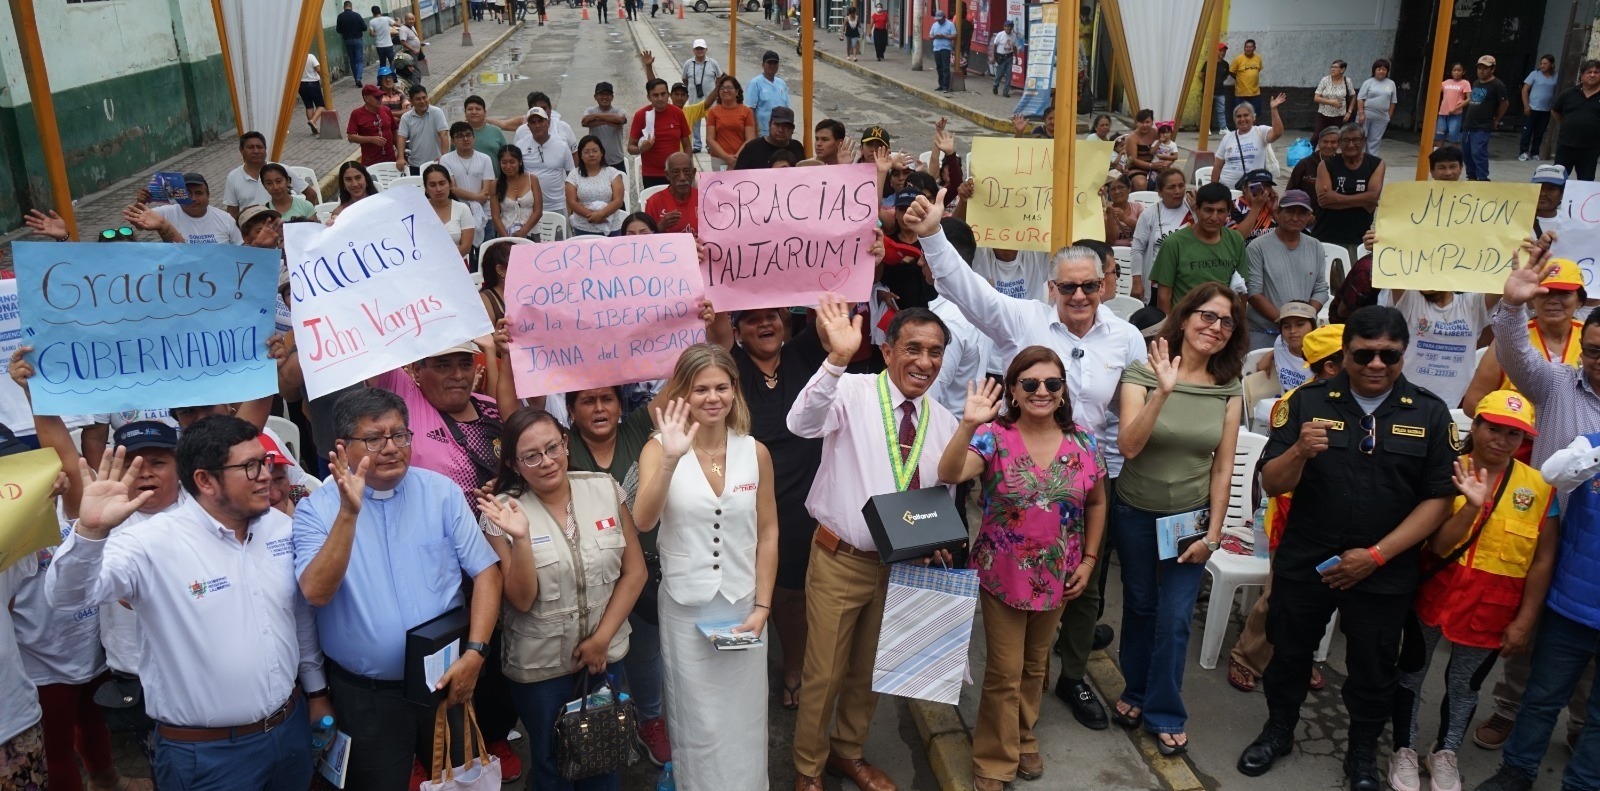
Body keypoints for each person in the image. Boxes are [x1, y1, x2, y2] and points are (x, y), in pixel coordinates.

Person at [912, 189, 1146, 730]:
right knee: (1014, 611)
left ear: (1105, 284)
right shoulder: (1025, 320)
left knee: (1084, 593)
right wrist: (933, 236)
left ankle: (1072, 677)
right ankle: (1013, 713)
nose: (1081, 295)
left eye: (1090, 285)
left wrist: (1111, 474)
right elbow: (968, 292)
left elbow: (1127, 412)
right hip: (1017, 481)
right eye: (1069, 286)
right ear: (1053, 288)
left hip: (1089, 480)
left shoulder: (1127, 338)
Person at [1237, 307, 1459, 791]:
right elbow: (1271, 483)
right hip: (1309, 556)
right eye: (1364, 354)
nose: (1376, 364)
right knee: (1290, 652)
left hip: (1383, 567)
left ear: (1403, 355)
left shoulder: (1428, 412)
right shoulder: (1308, 402)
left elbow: (1439, 499)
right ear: (1346, 353)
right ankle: (1279, 730)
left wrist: (1376, 556)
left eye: (1389, 355)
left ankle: (1361, 753)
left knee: (1374, 667)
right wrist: (1298, 452)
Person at [48, 417, 331, 790]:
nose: (265, 475)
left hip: (289, 731)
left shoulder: (280, 529)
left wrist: (316, 692)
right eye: (250, 467)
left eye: (264, 462)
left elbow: (298, 618)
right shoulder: (149, 544)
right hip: (207, 758)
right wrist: (90, 534)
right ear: (205, 480)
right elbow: (68, 597)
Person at [786, 296, 958, 791]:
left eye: (935, 351)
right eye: (913, 349)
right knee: (823, 675)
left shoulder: (942, 421)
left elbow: (938, 497)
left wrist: (937, 540)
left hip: (899, 566)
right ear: (887, 352)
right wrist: (837, 358)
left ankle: (848, 752)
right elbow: (801, 423)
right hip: (841, 559)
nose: (924, 362)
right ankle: (808, 767)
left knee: (869, 672)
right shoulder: (853, 391)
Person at [293, 388, 503, 791]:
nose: (391, 448)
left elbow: (487, 573)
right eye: (374, 438)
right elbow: (316, 593)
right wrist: (348, 515)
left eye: (400, 435)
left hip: (447, 681)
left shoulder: (441, 493)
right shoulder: (315, 510)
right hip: (367, 697)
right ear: (343, 448)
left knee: (460, 783)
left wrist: (476, 653)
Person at [939, 347, 1107, 790]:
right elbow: (950, 472)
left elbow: (1097, 502)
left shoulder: (1084, 442)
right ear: (1013, 389)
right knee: (1005, 670)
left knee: (1035, 666)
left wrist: (1089, 560)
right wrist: (969, 423)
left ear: (1062, 389)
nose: (1041, 392)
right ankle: (994, 758)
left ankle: (1023, 736)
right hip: (1003, 574)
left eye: (1052, 383)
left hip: (1060, 574)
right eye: (1030, 383)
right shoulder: (994, 436)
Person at [1469, 248, 1600, 791]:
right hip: (1546, 539)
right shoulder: (1560, 384)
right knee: (1530, 653)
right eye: (1593, 351)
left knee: (1584, 684)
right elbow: (1516, 353)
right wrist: (1509, 306)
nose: (1599, 361)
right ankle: (1509, 727)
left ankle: (1580, 743)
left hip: (1590, 556)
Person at [1386, 390, 1558, 791]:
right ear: (1475, 426)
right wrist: (1469, 507)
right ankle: (1403, 748)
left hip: (1492, 609)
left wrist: (1526, 619)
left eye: (1513, 435)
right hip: (1433, 597)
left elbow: (1543, 560)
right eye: (1493, 428)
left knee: (1465, 687)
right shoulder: (1445, 471)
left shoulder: (1539, 488)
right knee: (1411, 673)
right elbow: (1440, 546)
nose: (1501, 440)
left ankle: (1446, 752)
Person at [631, 346, 779, 790]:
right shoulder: (659, 449)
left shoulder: (756, 452)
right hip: (685, 609)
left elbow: (768, 533)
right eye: (701, 389)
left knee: (745, 719)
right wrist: (672, 460)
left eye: (721, 387)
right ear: (684, 392)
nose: (712, 397)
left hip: (744, 607)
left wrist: (762, 607)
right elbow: (643, 520)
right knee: (697, 724)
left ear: (735, 390)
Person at [475, 408, 646, 791]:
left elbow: (635, 573)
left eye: (553, 447)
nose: (546, 461)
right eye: (531, 456)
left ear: (566, 444)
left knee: (605, 757)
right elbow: (520, 600)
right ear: (515, 464)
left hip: (605, 657)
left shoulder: (605, 488)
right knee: (552, 765)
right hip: (541, 669)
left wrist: (601, 640)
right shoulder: (500, 512)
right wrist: (520, 540)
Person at [1111, 283, 1246, 756]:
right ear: (1185, 319)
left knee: (1174, 618)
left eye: (1227, 322)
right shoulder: (1140, 373)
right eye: (1208, 316)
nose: (1216, 327)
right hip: (1134, 511)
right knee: (1141, 605)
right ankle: (1135, 690)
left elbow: (1224, 467)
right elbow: (1128, 447)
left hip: (1189, 519)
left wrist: (1213, 536)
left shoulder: (1230, 389)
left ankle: (1165, 710)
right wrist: (1162, 394)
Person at [1233, 326, 1345, 689]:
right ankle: (1248, 656)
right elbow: (1277, 472)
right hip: (1294, 514)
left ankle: (1296, 655)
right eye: (1354, 358)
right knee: (1279, 593)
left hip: (1339, 515)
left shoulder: (1359, 403)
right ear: (1329, 368)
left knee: (1320, 595)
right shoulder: (1298, 402)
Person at [1464, 257, 1584, 412]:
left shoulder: (1593, 338)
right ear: (1532, 298)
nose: (1553, 300)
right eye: (1545, 293)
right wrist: (1519, 427)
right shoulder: (1510, 340)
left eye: (1564, 294)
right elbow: (1473, 403)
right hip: (1520, 435)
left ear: (1580, 301)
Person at [1245, 190, 1328, 349]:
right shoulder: (1257, 247)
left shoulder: (1315, 246)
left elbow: (1320, 289)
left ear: (1309, 217)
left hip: (1303, 333)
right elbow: (1254, 293)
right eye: (1290, 211)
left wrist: (1304, 320)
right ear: (1278, 212)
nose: (1295, 218)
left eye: (1302, 213)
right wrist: (1286, 323)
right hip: (1264, 330)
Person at [1152, 182, 1246, 313]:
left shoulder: (1236, 240)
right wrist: (1168, 330)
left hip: (1221, 321)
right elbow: (1164, 295)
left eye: (1221, 211)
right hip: (1183, 323)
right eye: (1208, 210)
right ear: (1196, 209)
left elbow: (1242, 290)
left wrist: (1238, 325)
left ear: (1228, 212)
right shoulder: (1174, 243)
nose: (1214, 217)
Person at [1315, 123, 1385, 260]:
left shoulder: (1376, 164)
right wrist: (1363, 200)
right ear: (1340, 143)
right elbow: (1324, 201)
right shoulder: (1327, 164)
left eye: (1356, 140)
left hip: (1358, 238)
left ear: (1364, 141)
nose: (1351, 144)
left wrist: (1337, 198)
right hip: (1325, 234)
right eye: (1346, 140)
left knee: (1352, 278)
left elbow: (1373, 197)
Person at [1130, 168, 1193, 303]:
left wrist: (1197, 211)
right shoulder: (1150, 214)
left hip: (1188, 283)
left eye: (1181, 186)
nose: (1178, 191)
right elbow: (1137, 249)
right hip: (1157, 284)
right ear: (1160, 192)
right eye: (1171, 187)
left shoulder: (1194, 211)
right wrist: (1136, 282)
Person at [222, 131, 315, 217]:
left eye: (259, 147)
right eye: (250, 147)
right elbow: (232, 209)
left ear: (265, 149)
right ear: (241, 150)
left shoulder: (281, 170)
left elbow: (311, 194)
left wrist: (303, 220)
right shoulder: (233, 177)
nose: (256, 151)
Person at [144, 171, 243, 244]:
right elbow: (137, 220)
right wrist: (141, 201)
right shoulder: (165, 213)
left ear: (208, 195)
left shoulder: (226, 220)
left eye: (199, 193)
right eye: (187, 193)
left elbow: (241, 249)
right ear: (179, 195)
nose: (193, 198)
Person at [1212, 94, 1287, 189]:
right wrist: (1213, 188)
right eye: (1239, 116)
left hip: (1253, 191)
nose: (1242, 119)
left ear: (1253, 117)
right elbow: (1217, 167)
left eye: (1246, 115)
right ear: (1235, 120)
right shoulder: (1228, 137)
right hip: (1227, 191)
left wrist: (1274, 109)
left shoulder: (1260, 131)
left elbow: (1278, 132)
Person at [629, 79, 690, 189]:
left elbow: (687, 145)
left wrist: (688, 168)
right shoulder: (641, 115)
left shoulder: (678, 113)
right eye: (655, 95)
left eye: (663, 94)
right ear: (649, 97)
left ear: (668, 95)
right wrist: (641, 149)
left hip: (675, 173)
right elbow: (630, 147)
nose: (660, 98)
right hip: (651, 175)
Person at [515, 107, 573, 221]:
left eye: (540, 121)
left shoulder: (562, 146)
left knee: (559, 239)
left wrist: (571, 203)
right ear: (528, 126)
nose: (537, 125)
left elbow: (571, 176)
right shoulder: (520, 145)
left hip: (557, 205)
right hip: (529, 207)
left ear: (548, 122)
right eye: (533, 122)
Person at [441, 121, 496, 234]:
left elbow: (486, 189)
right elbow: (452, 188)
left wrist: (478, 200)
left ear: (473, 137)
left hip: (485, 212)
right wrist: (476, 198)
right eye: (460, 136)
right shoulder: (445, 160)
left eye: (468, 135)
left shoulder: (485, 158)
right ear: (453, 140)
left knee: (486, 249)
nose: (465, 139)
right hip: (459, 213)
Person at [566, 135, 625, 236]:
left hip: (611, 227)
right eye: (586, 152)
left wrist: (601, 214)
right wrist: (592, 216)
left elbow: (618, 201)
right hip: (583, 227)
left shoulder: (613, 173)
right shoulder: (574, 175)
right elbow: (571, 202)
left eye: (595, 150)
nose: (591, 154)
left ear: (601, 152)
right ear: (580, 155)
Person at [1552, 59, 1600, 181]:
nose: (1593, 75)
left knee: (1586, 181)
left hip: (1590, 148)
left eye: (1596, 72)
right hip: (1566, 145)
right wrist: (1567, 124)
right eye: (1589, 72)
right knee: (1558, 180)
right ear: (1582, 75)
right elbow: (1555, 111)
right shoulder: (1569, 94)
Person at [1464, 56, 1510, 181]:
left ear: (1492, 69)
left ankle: (1483, 177)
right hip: (1469, 123)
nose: (1481, 71)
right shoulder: (1476, 82)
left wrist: (1496, 120)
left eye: (1485, 68)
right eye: (1479, 68)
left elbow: (1504, 103)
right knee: (1467, 152)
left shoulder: (1497, 85)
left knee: (1478, 152)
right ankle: (1471, 176)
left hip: (1483, 125)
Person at [424, 164, 475, 261]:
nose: (438, 189)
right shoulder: (418, 210)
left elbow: (466, 247)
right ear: (426, 188)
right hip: (427, 266)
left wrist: (444, 263)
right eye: (432, 185)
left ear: (450, 185)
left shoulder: (462, 209)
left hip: (457, 264)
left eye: (442, 183)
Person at [706, 75, 756, 171]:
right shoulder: (713, 112)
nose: (725, 90)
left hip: (742, 158)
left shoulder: (746, 111)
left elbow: (750, 138)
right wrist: (726, 157)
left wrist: (736, 158)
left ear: (737, 91)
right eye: (722, 88)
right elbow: (710, 139)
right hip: (719, 159)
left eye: (729, 87)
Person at [492, 143, 542, 239]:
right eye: (504, 162)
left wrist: (523, 232)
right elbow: (495, 216)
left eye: (512, 162)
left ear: (520, 162)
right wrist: (507, 238)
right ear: (499, 164)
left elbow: (538, 211)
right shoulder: (495, 184)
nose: (508, 166)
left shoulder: (532, 179)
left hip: (531, 232)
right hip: (505, 234)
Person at [643, 152, 698, 235]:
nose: (682, 178)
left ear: (693, 173)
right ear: (667, 175)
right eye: (676, 172)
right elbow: (645, 239)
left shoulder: (704, 198)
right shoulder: (653, 202)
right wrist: (660, 226)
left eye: (686, 171)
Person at [1287, 127, 1338, 215]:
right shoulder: (1305, 164)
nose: (1329, 146)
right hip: (1305, 215)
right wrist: (1304, 212)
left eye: (1333, 142)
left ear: (1339, 144)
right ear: (1319, 142)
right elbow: (1290, 190)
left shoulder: (1342, 164)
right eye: (1325, 142)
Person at [682, 40, 723, 152]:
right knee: (695, 123)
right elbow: (684, 79)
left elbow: (719, 78)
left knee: (711, 123)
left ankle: (710, 145)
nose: (699, 51)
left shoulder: (713, 63)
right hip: (694, 99)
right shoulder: (688, 64)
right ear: (693, 50)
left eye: (702, 48)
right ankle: (696, 145)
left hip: (710, 100)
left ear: (706, 50)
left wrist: (716, 92)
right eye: (697, 49)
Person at [734, 105, 805, 170]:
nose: (780, 130)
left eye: (786, 126)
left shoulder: (797, 148)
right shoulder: (751, 148)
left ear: (792, 129)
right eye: (777, 125)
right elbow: (739, 177)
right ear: (769, 124)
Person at [581, 82, 630, 172]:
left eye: (608, 94)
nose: (605, 97)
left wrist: (596, 117)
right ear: (595, 97)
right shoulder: (590, 110)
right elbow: (584, 122)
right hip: (597, 163)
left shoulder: (618, 111)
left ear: (612, 97)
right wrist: (610, 121)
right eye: (601, 94)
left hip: (617, 162)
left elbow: (620, 119)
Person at [347, 84, 398, 167]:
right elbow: (351, 137)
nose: (380, 100)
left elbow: (394, 131)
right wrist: (370, 139)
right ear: (366, 98)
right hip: (370, 163)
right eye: (376, 97)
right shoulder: (356, 114)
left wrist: (400, 153)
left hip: (390, 161)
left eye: (381, 97)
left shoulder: (386, 110)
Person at [1520, 55, 1558, 161]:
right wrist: (1526, 105)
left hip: (1546, 109)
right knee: (1527, 131)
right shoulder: (1534, 74)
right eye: (1541, 63)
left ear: (1552, 64)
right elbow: (1524, 90)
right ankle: (1523, 152)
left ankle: (1535, 153)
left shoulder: (1556, 76)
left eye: (1545, 63)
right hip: (1532, 108)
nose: (1542, 66)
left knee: (1539, 133)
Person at [1356, 59, 1397, 155]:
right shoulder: (1368, 82)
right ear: (1374, 70)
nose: (1381, 71)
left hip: (1381, 117)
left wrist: (1389, 116)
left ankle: (1371, 161)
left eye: (1384, 69)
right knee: (1360, 137)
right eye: (1379, 69)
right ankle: (1357, 157)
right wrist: (1361, 114)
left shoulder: (1391, 83)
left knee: (1375, 140)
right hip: (1366, 115)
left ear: (1387, 71)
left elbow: (1393, 102)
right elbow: (1360, 99)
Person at [746, 50, 791, 136]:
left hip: (781, 133)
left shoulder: (781, 83)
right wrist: (754, 134)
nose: (772, 66)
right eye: (769, 63)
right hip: (763, 133)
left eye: (775, 63)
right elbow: (750, 110)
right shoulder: (755, 83)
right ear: (763, 65)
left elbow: (787, 108)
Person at [464, 95, 509, 170]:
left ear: (485, 112)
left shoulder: (496, 131)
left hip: (495, 179)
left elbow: (507, 155)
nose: (474, 112)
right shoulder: (459, 134)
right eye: (470, 109)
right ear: (465, 112)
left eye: (478, 109)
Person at [1313, 60, 1355, 138]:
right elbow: (1316, 98)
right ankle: (1311, 150)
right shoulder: (1325, 80)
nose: (1332, 69)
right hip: (1323, 114)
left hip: (1339, 116)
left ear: (1342, 70)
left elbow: (1353, 96)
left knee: (1337, 137)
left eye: (1335, 67)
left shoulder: (1347, 81)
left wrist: (1349, 112)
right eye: (1331, 67)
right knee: (1316, 137)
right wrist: (1331, 102)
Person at [1437, 63, 1472, 149]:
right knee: (1440, 135)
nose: (1456, 72)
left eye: (1459, 70)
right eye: (1454, 70)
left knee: (1453, 136)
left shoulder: (1465, 83)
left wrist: (1456, 108)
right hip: (1442, 114)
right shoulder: (1445, 83)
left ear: (1463, 72)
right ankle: (1438, 155)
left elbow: (1469, 99)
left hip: (1455, 115)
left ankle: (1455, 157)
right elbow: (1435, 90)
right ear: (1451, 72)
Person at [1103, 176, 1142, 248]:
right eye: (1113, 189)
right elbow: (1110, 241)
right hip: (1115, 253)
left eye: (1121, 187)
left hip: (1136, 250)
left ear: (1129, 189)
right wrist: (1110, 216)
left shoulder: (1137, 207)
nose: (1117, 192)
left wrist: (1125, 218)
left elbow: (1144, 231)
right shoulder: (1106, 211)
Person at [1230, 39, 1264, 116]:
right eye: (1246, 47)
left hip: (1255, 93)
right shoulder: (1238, 59)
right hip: (1241, 93)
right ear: (1244, 48)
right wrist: (1239, 79)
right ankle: (1239, 128)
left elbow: (1258, 71)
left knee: (1255, 115)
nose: (1248, 49)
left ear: (1254, 48)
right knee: (1239, 114)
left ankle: (1253, 128)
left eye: (1250, 47)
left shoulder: (1258, 58)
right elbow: (1231, 71)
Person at [1202, 43, 1231, 132]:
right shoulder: (1209, 62)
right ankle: (1206, 129)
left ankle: (1222, 128)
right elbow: (1201, 75)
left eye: (1224, 51)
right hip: (1209, 91)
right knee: (1207, 111)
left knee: (1221, 110)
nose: (1222, 53)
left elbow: (1225, 76)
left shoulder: (1225, 64)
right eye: (1220, 51)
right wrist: (1207, 84)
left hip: (1220, 91)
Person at [337, 0, 367, 86]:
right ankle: (358, 78)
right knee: (360, 60)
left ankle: (355, 79)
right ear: (351, 6)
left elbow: (338, 30)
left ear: (343, 7)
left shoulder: (340, 16)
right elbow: (364, 27)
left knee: (352, 60)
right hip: (358, 39)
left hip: (347, 40)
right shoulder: (357, 15)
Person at [299, 53, 326, 135]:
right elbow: (318, 69)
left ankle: (313, 127)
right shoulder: (310, 57)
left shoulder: (296, 58)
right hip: (313, 84)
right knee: (321, 105)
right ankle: (313, 121)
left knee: (309, 106)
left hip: (301, 85)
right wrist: (325, 81)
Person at [930, 10, 957, 92]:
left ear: (944, 17)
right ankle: (941, 85)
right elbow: (930, 36)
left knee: (945, 67)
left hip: (946, 48)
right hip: (936, 48)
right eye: (937, 19)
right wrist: (935, 36)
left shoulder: (950, 24)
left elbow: (954, 35)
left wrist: (944, 36)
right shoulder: (934, 25)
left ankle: (946, 86)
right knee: (939, 67)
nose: (938, 21)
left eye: (940, 19)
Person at [990, 20, 1016, 96]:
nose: (1008, 28)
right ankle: (995, 85)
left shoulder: (1013, 36)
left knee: (1008, 74)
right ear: (1004, 27)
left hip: (1009, 57)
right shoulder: (1000, 35)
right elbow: (994, 45)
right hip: (1001, 57)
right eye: (1007, 26)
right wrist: (993, 56)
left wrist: (1016, 57)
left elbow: (1014, 47)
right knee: (999, 74)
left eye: (1010, 26)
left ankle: (1006, 91)